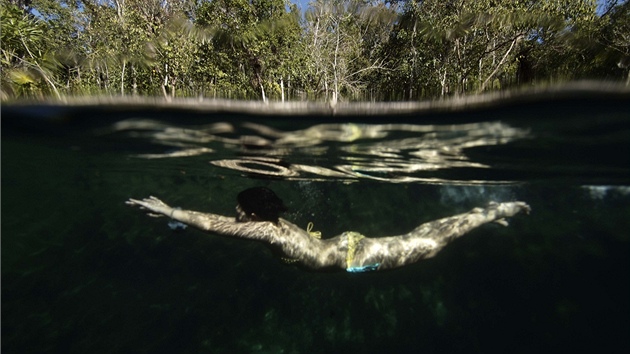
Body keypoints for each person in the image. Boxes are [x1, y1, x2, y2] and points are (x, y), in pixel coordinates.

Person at [126, 187, 530, 272]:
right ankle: (487, 214)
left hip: (352, 255)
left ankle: (494, 212)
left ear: (253, 215)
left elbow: (216, 226)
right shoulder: (271, 222)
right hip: (342, 246)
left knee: (427, 244)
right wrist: (178, 219)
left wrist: (172, 210)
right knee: (421, 238)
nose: (235, 213)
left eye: (240, 209)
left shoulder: (267, 231)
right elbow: (223, 221)